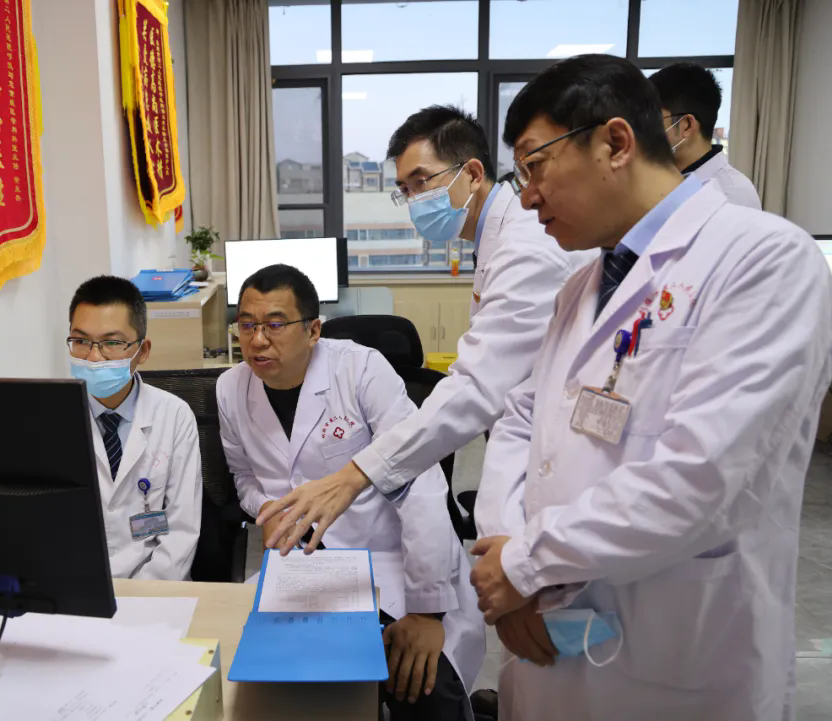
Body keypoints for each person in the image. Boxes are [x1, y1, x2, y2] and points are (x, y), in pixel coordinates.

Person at [469, 53, 832, 721]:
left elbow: (700, 476)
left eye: (535, 165)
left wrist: (526, 565)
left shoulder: (764, 259)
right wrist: (507, 552)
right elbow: (521, 417)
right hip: (548, 640)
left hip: (678, 660)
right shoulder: (584, 283)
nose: (525, 197)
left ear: (615, 142)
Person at [256, 105, 594, 554]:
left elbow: (476, 388)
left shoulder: (525, 249)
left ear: (472, 173)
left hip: (562, 455)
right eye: (404, 189)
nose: (414, 199)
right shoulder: (497, 241)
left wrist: (356, 474)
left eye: (421, 181)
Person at [216, 264, 484, 721]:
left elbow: (419, 481)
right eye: (246, 325)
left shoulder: (360, 369)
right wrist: (267, 507)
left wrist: (427, 613)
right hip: (301, 567)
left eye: (275, 324)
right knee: (259, 686)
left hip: (388, 558)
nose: (257, 340)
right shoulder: (230, 387)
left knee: (424, 686)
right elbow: (243, 476)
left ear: (313, 330)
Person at [67, 276, 202, 580]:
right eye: (81, 341)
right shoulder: (52, 417)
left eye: (112, 343)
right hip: (80, 584)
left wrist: (141, 594)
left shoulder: (174, 416)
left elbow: (181, 531)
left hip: (158, 586)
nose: (93, 357)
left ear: (143, 351)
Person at [649, 62, 761, 209]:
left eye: (653, 120)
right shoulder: (661, 178)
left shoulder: (732, 195)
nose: (644, 130)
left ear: (687, 125)